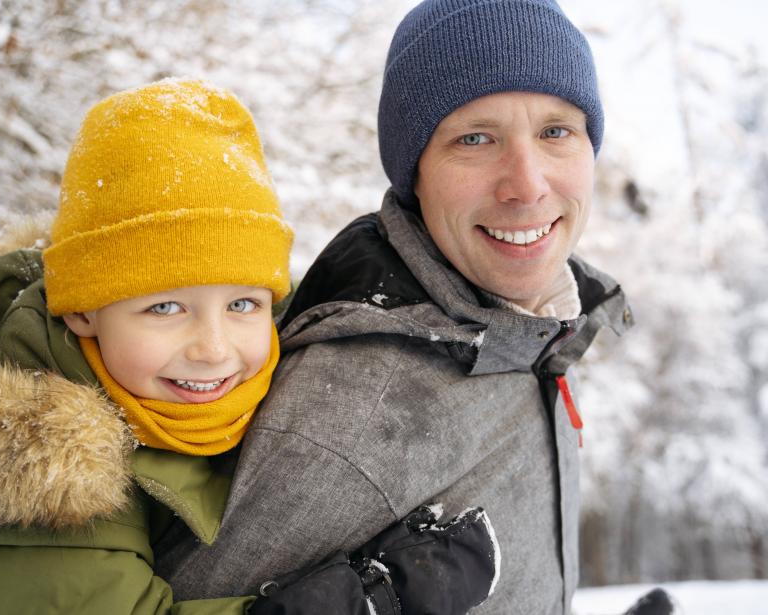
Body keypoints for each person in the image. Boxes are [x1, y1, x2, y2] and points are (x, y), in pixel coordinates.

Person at [156, 2, 667, 614]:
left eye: (556, 131)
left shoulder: (535, 331)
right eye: (475, 139)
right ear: (414, 172)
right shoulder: (358, 402)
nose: (527, 185)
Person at [0, 79, 498, 614]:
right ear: (81, 309)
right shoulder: (39, 477)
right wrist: (374, 601)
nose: (214, 349)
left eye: (242, 304)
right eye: (165, 307)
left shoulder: (182, 385)